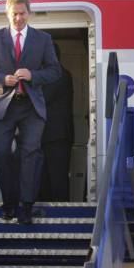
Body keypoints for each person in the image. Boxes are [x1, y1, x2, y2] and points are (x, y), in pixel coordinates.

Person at [0, 0, 61, 224]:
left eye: (23, 14)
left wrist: (33, 75)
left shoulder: (43, 39)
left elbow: (55, 71)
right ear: (7, 13)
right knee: (2, 155)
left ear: (29, 13)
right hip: (3, 105)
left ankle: (27, 207)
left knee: (30, 154)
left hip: (31, 106)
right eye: (15, 14)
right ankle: (9, 203)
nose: (19, 18)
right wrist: (2, 79)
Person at [40, 43, 74, 202]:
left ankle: (62, 214)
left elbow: (43, 98)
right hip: (49, 136)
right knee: (45, 179)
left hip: (56, 136)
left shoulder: (59, 74)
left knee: (57, 179)